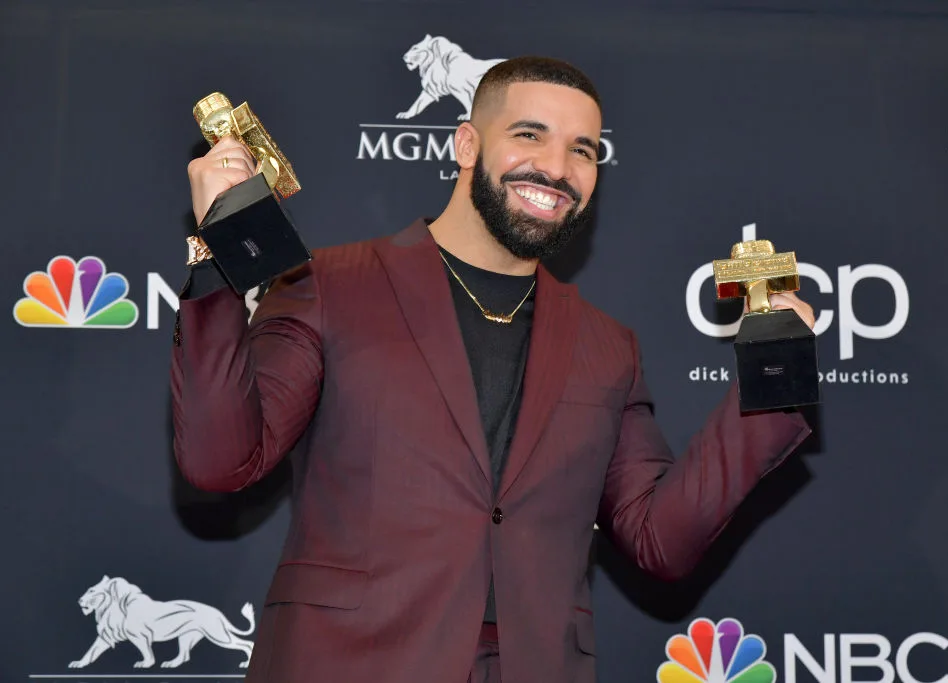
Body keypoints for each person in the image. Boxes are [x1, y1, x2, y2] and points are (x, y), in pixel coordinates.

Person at [171, 56, 814, 683]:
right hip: (350, 660)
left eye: (584, 150)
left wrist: (774, 375)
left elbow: (660, 541)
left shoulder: (606, 345)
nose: (557, 169)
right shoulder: (330, 285)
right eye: (530, 135)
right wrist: (220, 247)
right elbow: (221, 459)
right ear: (467, 144)